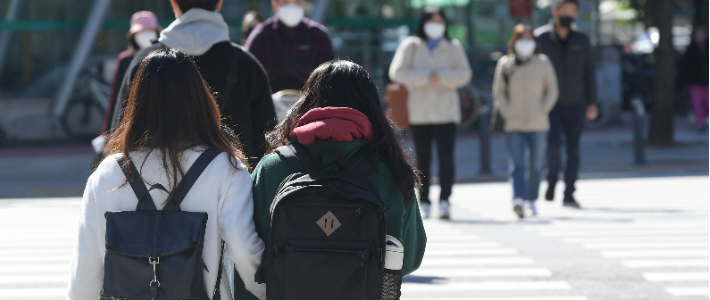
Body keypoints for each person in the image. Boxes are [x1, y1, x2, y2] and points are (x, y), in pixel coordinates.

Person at [67, 48, 266, 300]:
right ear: (199, 100)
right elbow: (243, 249)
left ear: (136, 103)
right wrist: (265, 290)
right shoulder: (226, 169)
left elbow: (85, 270)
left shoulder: (107, 173)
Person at [232, 60, 427, 299]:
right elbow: (411, 258)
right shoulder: (390, 173)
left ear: (306, 102)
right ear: (372, 108)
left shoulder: (273, 168)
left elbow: (246, 252)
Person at [110, 0, 276, 165]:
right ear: (219, 3)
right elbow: (266, 144)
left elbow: (120, 137)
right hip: (232, 184)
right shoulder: (247, 65)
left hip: (152, 187)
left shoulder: (144, 62)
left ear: (174, 4)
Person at [389, 7, 472, 219]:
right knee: (422, 159)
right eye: (431, 20)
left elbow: (464, 74)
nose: (436, 24)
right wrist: (426, 77)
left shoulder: (453, 46)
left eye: (440, 20)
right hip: (420, 112)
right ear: (423, 22)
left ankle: (445, 200)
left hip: (447, 112)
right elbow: (396, 71)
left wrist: (441, 77)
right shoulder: (411, 45)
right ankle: (424, 200)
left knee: (446, 158)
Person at [534, 0, 598, 208]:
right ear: (555, 12)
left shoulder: (582, 39)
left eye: (573, 11)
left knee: (573, 150)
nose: (569, 15)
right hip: (549, 104)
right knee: (552, 145)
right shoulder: (541, 38)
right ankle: (551, 179)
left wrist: (592, 102)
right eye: (565, 11)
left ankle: (569, 191)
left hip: (577, 103)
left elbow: (589, 73)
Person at [493, 24, 559, 218]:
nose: (526, 43)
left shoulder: (543, 62)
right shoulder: (505, 63)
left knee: (536, 164)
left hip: (538, 123)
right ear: (514, 41)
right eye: (522, 38)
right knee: (517, 164)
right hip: (513, 123)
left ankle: (531, 199)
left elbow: (552, 90)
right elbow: (499, 92)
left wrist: (542, 109)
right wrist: (507, 112)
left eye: (530, 38)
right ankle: (518, 199)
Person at [245, 0, 335, 93]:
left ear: (304, 2)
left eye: (297, 2)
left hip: (309, 104)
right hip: (269, 103)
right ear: (275, 4)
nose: (292, 6)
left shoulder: (318, 36)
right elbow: (249, 77)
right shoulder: (261, 36)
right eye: (285, 2)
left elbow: (329, 79)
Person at [102, 11, 161, 134]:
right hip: (132, 123)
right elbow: (117, 95)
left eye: (149, 31)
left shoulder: (165, 57)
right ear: (133, 36)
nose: (145, 36)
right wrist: (108, 132)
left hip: (161, 121)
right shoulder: (125, 59)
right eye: (140, 33)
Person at [683, 24, 709, 130]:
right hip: (695, 80)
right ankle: (700, 123)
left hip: (707, 80)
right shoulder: (691, 48)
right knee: (697, 103)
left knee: (708, 102)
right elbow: (686, 64)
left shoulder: (707, 46)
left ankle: (706, 119)